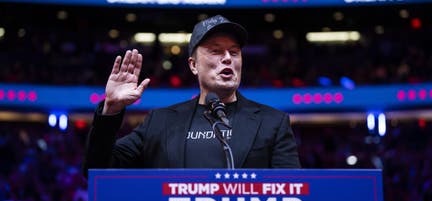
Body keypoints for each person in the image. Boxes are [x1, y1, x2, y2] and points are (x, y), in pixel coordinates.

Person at [83, 15, 300, 176]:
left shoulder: (273, 122)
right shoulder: (160, 122)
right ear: (193, 65)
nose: (227, 59)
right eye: (215, 51)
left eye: (234, 52)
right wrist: (111, 109)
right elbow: (97, 170)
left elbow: (292, 193)